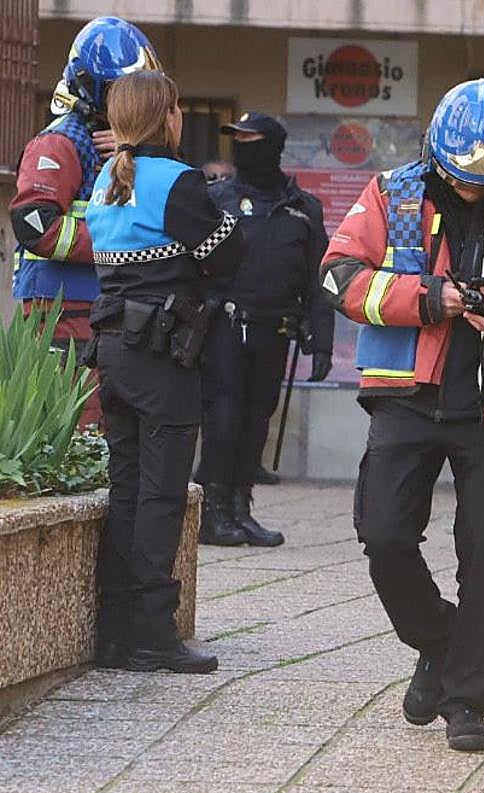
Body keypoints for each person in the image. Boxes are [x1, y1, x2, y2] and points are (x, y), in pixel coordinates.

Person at [321, 78, 484, 751]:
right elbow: (337, 276)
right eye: (463, 178)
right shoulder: (392, 193)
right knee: (382, 534)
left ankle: (467, 704)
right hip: (405, 399)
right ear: (438, 156)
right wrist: (428, 297)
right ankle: (439, 642)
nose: (474, 189)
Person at [85, 70, 245, 673]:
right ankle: (154, 635)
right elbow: (225, 254)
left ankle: (113, 634)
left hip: (113, 353)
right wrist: (227, 208)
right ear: (168, 116)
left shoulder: (107, 179)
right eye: (176, 108)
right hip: (162, 355)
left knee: (125, 490)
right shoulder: (177, 181)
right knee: (161, 495)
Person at [10, 16, 160, 429]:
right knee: (78, 424)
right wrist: (117, 245)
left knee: (113, 423)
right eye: (124, 92)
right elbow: (34, 225)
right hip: (62, 310)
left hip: (106, 308)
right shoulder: (61, 143)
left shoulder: (127, 148)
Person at [194, 112, 332, 547]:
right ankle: (212, 511)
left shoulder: (303, 208)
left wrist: (321, 341)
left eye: (249, 139)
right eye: (237, 139)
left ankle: (240, 507)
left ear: (272, 146)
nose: (241, 146)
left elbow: (318, 278)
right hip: (224, 326)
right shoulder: (216, 198)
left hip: (275, 330)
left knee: (256, 421)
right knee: (224, 418)